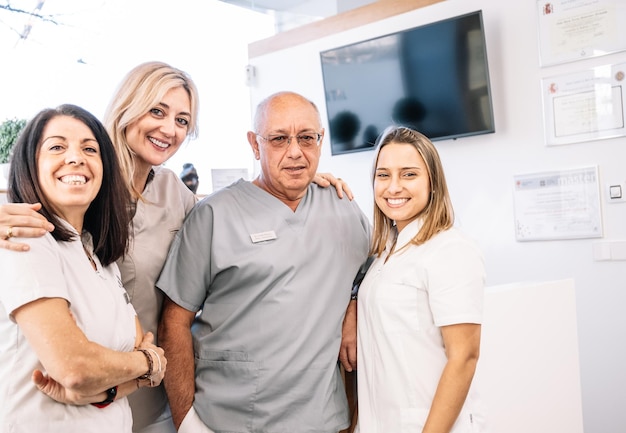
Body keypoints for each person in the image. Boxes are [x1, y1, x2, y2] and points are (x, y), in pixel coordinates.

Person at [0, 62, 353, 432]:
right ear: (126, 109)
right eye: (157, 111)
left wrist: (300, 179)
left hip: (147, 389)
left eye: (182, 121)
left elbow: (239, 220)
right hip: (69, 390)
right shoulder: (79, 194)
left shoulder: (175, 194)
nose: (169, 129)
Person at [156, 91, 371, 433]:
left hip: (323, 419)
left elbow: (373, 276)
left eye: (306, 138)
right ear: (255, 145)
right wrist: (186, 423)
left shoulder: (343, 209)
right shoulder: (214, 215)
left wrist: (354, 305)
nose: (295, 152)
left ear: (321, 141)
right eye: (279, 139)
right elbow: (173, 324)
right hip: (228, 420)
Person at [0, 104, 166, 433]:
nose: (76, 158)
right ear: (30, 166)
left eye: (89, 149)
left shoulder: (97, 257)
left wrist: (109, 388)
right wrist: (150, 363)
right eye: (57, 147)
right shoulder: (25, 240)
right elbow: (75, 368)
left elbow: (131, 348)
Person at [354, 126, 486, 433]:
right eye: (383, 175)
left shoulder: (450, 249)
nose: (393, 187)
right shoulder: (385, 253)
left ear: (433, 183)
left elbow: (464, 356)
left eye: (409, 174)